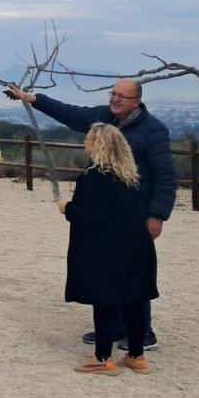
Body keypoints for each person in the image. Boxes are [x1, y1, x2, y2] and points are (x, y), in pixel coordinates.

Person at [6, 78, 175, 349]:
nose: (115, 99)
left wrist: (157, 215)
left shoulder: (154, 130)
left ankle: (143, 333)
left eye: (122, 96)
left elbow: (165, 176)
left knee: (133, 273)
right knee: (107, 270)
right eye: (113, 93)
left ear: (137, 101)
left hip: (136, 212)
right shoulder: (101, 117)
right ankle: (111, 327)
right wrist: (34, 99)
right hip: (107, 212)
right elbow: (70, 113)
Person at [60, 123, 158, 375]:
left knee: (104, 301)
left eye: (89, 140)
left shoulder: (94, 177)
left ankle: (103, 358)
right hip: (137, 247)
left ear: (99, 145)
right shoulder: (128, 177)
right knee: (133, 301)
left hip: (108, 250)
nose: (85, 143)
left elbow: (94, 216)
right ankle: (136, 356)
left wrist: (67, 208)